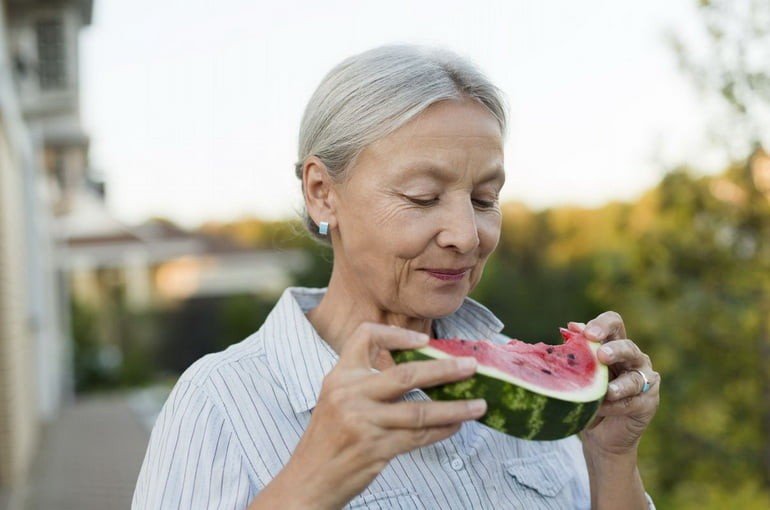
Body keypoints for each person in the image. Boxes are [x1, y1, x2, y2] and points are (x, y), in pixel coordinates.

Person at [132, 44, 660, 509]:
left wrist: (612, 457)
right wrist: (311, 481)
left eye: (484, 199)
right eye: (422, 197)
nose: (466, 234)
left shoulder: (530, 396)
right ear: (322, 192)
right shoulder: (221, 401)